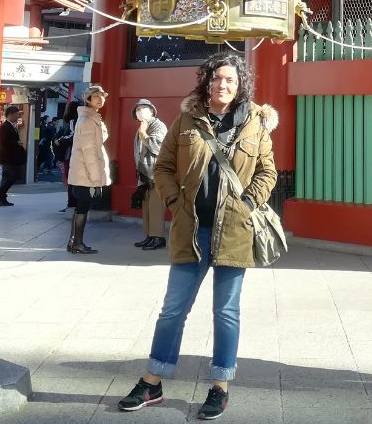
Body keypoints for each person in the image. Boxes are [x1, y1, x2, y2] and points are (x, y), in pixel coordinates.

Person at [117, 53, 277, 421]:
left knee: (226, 311)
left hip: (233, 231)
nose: (223, 85)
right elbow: (164, 166)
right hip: (191, 230)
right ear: (207, 81)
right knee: (174, 309)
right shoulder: (187, 120)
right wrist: (174, 199)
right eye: (217, 78)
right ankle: (152, 380)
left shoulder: (254, 123)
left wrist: (249, 202)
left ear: (241, 86)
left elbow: (267, 171)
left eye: (231, 81)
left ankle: (220, 387)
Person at [66, 85, 112, 254]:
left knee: (81, 206)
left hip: (83, 172)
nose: (100, 99)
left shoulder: (92, 118)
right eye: (96, 96)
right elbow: (89, 151)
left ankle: (73, 242)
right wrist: (95, 177)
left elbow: (98, 142)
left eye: (102, 96)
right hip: (85, 172)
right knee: (82, 206)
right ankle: (77, 243)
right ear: (88, 99)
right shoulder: (87, 120)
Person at [133, 98, 169, 250]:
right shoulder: (142, 127)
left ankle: (158, 237)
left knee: (156, 205)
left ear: (152, 110)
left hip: (156, 172)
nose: (140, 111)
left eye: (143, 108)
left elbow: (158, 147)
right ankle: (149, 236)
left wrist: (143, 134)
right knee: (147, 205)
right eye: (137, 110)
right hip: (144, 174)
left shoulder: (158, 125)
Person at [0, 105, 26, 207]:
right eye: (17, 114)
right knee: (10, 177)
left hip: (13, 158)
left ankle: (1, 197)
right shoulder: (4, 127)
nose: (18, 117)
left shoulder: (12, 126)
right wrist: (17, 143)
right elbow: (4, 142)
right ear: (10, 114)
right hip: (8, 158)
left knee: (10, 177)